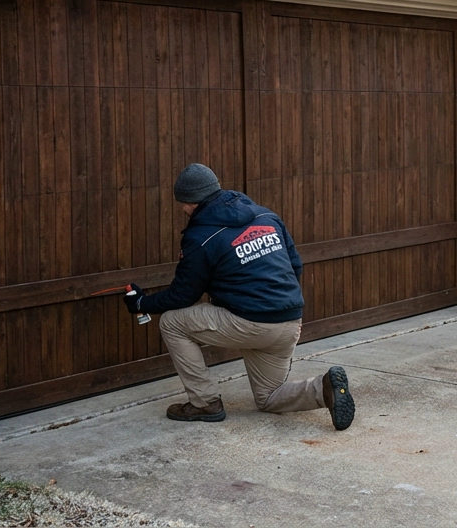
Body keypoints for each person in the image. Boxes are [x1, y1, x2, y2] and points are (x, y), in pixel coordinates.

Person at [124, 163, 354, 429]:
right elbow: (295, 266)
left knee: (172, 322)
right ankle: (323, 388)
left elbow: (183, 296)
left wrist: (142, 303)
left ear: (190, 201)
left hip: (250, 322)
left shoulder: (201, 236)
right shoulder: (266, 216)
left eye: (183, 205)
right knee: (268, 399)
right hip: (289, 321)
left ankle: (204, 403)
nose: (183, 210)